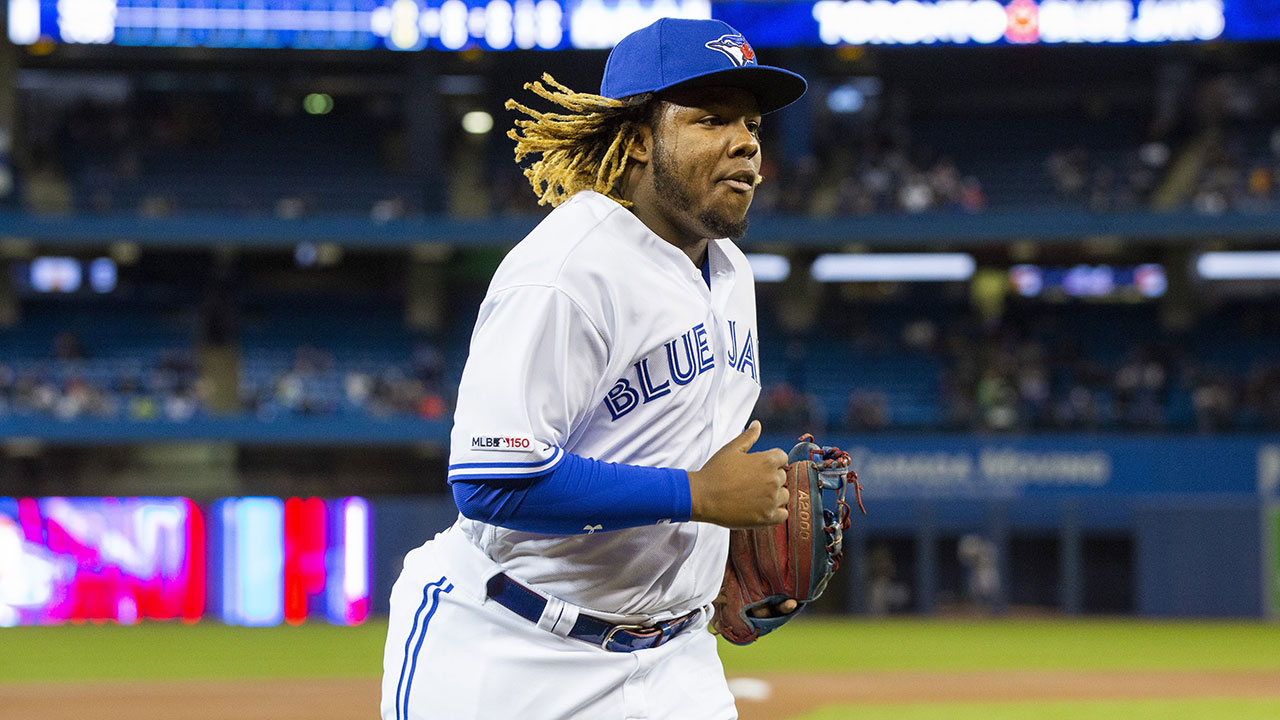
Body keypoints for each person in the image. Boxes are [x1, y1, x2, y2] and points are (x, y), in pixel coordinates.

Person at [380, 18, 807, 720]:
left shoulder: (732, 274)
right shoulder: (565, 270)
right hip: (513, 650)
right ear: (637, 138)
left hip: (675, 660)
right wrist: (698, 495)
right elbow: (491, 481)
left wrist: (727, 548)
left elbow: (676, 455)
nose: (747, 142)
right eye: (712, 118)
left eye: (752, 124)